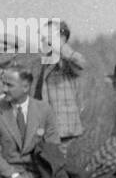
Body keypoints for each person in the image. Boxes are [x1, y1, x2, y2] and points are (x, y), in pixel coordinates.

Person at [34, 21, 87, 152]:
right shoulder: (46, 61)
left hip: (62, 127)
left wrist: (60, 45)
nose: (44, 40)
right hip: (47, 125)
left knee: (57, 162)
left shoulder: (66, 60)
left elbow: (81, 63)